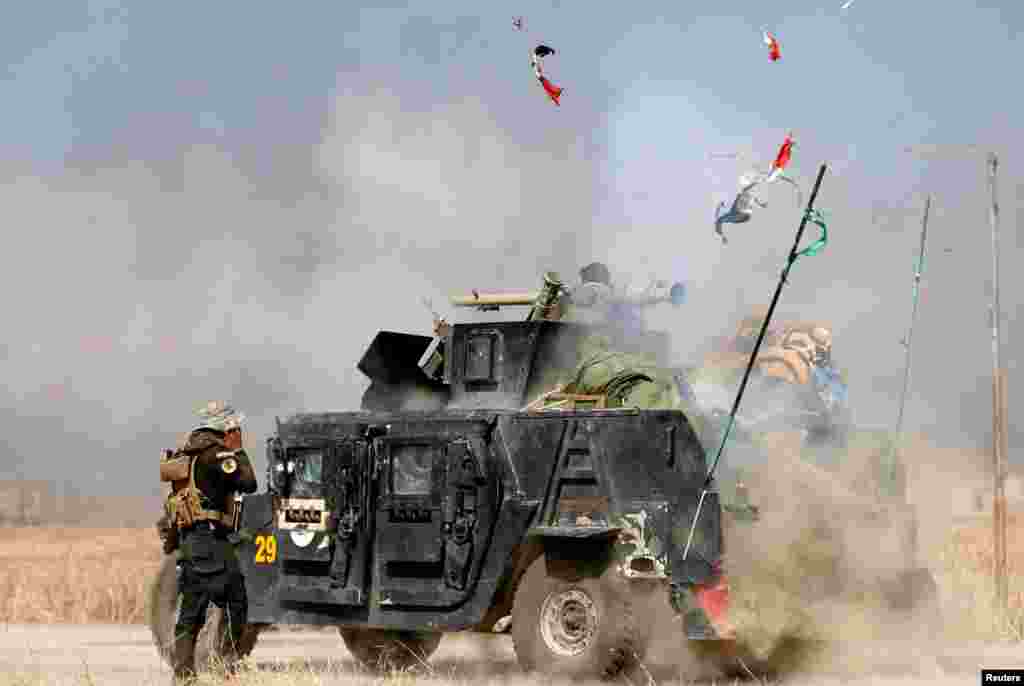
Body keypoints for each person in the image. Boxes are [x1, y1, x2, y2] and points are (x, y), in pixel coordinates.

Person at [165, 401, 258, 682]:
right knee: (236, 599)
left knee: (192, 608)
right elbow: (249, 483)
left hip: (190, 541)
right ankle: (226, 664)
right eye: (234, 426)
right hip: (209, 539)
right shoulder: (217, 455)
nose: (237, 430)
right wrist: (238, 449)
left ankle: (183, 675)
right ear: (225, 427)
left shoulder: (187, 452)